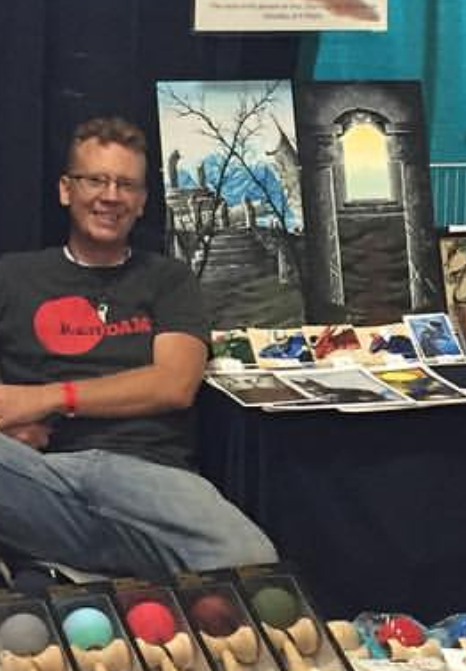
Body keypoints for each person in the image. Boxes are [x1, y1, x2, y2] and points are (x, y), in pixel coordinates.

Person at [0, 116, 277, 581]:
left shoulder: (169, 279)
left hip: (148, 475)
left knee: (254, 567)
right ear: (66, 190)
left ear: (143, 200)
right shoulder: (12, 275)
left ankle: (60, 564)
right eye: (95, 180)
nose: (110, 196)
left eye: (126, 184)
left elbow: (173, 384)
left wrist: (45, 399)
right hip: (38, 473)